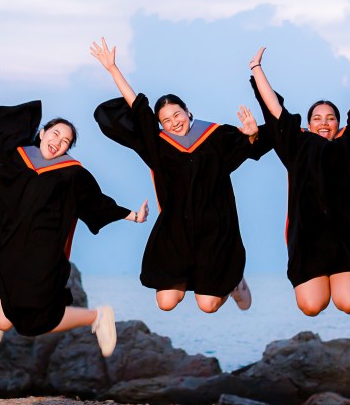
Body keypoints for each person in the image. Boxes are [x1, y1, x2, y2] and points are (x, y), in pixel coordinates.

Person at [0, 68, 149, 357]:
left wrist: (133, 215)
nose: (58, 142)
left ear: (68, 149)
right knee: (3, 321)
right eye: (55, 133)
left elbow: (96, 202)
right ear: (42, 133)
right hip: (9, 242)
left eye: (65, 141)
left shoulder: (71, 173)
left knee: (36, 322)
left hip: (44, 251)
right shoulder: (16, 153)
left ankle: (98, 316)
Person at [90, 38, 265, 314]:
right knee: (166, 303)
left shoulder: (215, 135)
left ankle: (234, 282)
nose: (174, 122)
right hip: (176, 233)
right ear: (160, 124)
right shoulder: (158, 146)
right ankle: (218, 280)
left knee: (207, 306)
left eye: (177, 114)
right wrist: (113, 69)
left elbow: (247, 150)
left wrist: (252, 134)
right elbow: (138, 109)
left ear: (188, 112)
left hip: (215, 230)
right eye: (166, 120)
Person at [248, 46, 350, 316]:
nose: (324, 123)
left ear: (338, 124)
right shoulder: (295, 146)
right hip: (308, 244)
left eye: (330, 118)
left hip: (348, 242)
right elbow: (274, 109)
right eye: (317, 118)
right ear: (309, 124)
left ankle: (343, 280)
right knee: (312, 307)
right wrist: (256, 69)